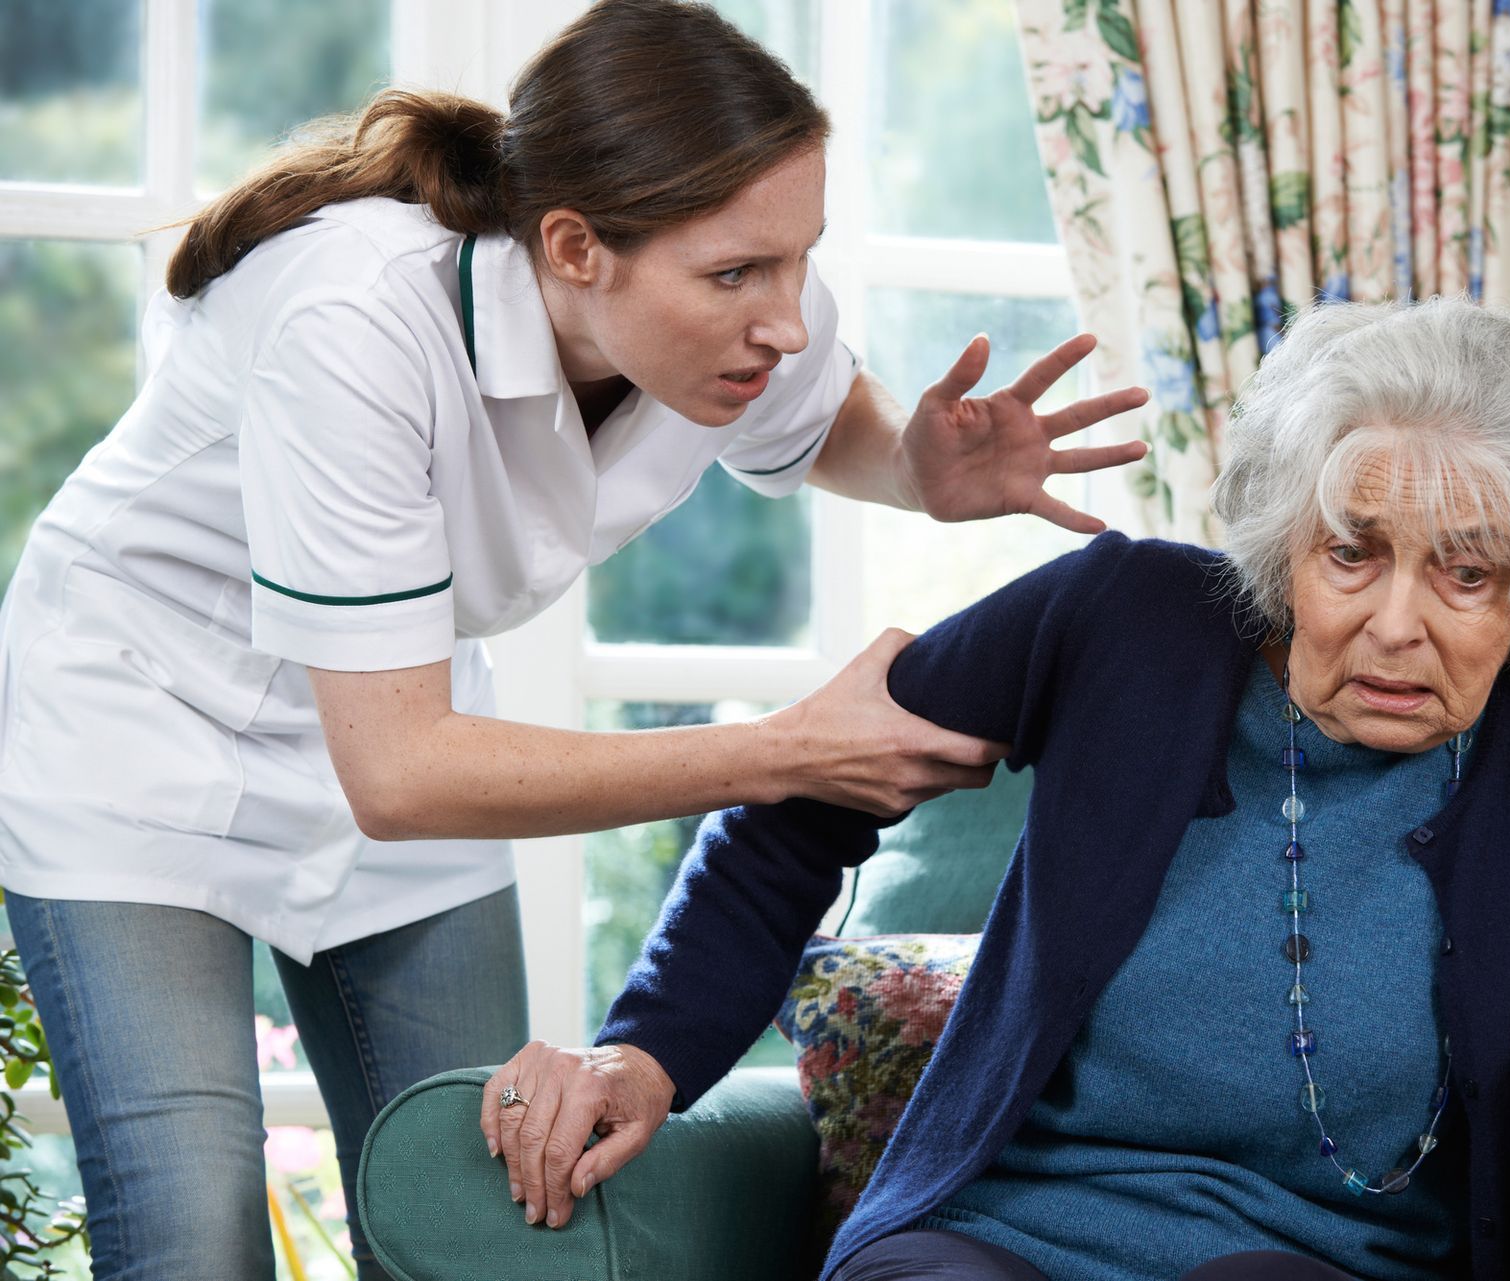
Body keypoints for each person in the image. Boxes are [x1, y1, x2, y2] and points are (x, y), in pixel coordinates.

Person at [0, 3, 1150, 1278]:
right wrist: (780, 753)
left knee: (480, 1214)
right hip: (147, 729)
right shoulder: (352, 318)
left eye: (798, 259)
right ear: (573, 246)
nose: (785, 317)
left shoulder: (743, 316)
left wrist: (916, 469)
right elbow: (401, 775)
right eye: (736, 275)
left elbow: (821, 419)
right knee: (192, 1229)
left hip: (403, 715)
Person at [488, 297, 1510, 1281]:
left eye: (1466, 574)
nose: (1397, 627)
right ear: (1285, 545)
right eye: (1352, 551)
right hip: (990, 1236)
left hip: (1316, 1260)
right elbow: (800, 800)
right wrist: (640, 1053)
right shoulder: (1125, 618)